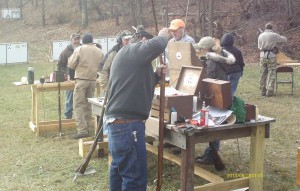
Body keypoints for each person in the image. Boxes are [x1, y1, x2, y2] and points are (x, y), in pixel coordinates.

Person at [104, 27, 169, 191]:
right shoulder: (132, 51)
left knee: (119, 172)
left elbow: (136, 85)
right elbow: (158, 44)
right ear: (143, 41)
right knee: (135, 179)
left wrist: (155, 75)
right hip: (127, 126)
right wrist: (163, 34)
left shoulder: (130, 57)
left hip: (122, 125)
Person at [193, 36, 235, 165]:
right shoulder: (216, 56)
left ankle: (212, 154)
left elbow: (208, 79)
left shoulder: (212, 61)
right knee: (213, 123)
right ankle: (211, 153)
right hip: (218, 92)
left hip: (216, 94)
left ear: (206, 48)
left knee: (215, 124)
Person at [68, 33, 104, 139]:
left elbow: (71, 64)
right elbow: (102, 65)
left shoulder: (80, 49)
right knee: (89, 105)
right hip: (93, 80)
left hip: (81, 80)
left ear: (83, 41)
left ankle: (82, 130)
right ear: (92, 41)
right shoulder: (99, 51)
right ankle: (89, 126)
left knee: (78, 105)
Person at [98, 30, 132, 94]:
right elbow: (102, 70)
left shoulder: (132, 52)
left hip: (127, 89)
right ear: (120, 40)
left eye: (129, 39)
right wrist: (107, 88)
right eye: (126, 40)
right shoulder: (112, 53)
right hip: (113, 89)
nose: (128, 42)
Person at [258, 22, 287, 97]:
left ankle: (262, 91)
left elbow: (259, 47)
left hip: (262, 56)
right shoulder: (274, 35)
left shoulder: (260, 36)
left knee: (262, 73)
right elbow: (284, 39)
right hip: (271, 56)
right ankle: (269, 91)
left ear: (265, 28)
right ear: (271, 28)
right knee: (272, 73)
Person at [57, 33, 80, 119]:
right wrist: (66, 74)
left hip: (81, 78)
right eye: (75, 39)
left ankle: (80, 117)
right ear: (71, 40)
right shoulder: (65, 52)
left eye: (78, 39)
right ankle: (68, 116)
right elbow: (60, 66)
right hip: (70, 79)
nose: (77, 41)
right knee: (69, 99)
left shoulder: (82, 49)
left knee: (81, 100)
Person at [220, 32, 245, 97]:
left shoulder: (221, 51)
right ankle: (230, 103)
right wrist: (241, 71)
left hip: (226, 72)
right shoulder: (237, 50)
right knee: (232, 90)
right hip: (236, 71)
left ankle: (226, 105)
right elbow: (241, 63)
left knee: (224, 90)